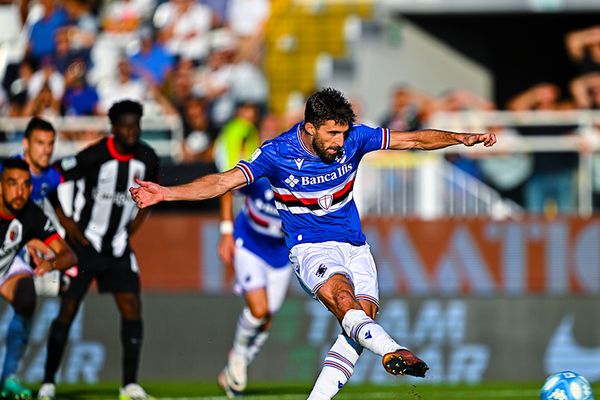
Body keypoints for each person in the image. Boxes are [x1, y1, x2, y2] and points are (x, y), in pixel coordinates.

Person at [130, 88, 496, 399]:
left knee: (359, 322)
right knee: (344, 301)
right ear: (310, 128)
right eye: (332, 134)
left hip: (355, 246)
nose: (339, 142)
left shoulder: (355, 138)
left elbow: (413, 139)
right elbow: (223, 182)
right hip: (310, 248)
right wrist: (166, 193)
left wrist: (461, 138)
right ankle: (392, 349)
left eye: (343, 133)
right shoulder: (276, 153)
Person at [37, 100, 160, 400]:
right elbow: (52, 177)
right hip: (84, 245)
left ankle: (129, 385)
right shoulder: (95, 155)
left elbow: (153, 194)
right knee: (67, 310)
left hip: (118, 248)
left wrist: (133, 227)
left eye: (136, 126)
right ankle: (48, 383)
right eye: (125, 126)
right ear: (114, 128)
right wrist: (67, 221)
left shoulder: (147, 158)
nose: (131, 132)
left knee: (132, 307)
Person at [215, 107, 291, 398]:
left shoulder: (295, 169)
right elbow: (225, 188)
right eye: (266, 129)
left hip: (281, 253)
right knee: (258, 310)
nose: (271, 134)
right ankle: (237, 354)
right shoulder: (254, 167)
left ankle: (235, 369)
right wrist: (226, 232)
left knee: (267, 317)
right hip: (250, 243)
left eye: (276, 129)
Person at [0, 157, 77, 399]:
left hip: (5, 267)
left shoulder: (31, 214)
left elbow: (69, 255)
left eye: (25, 184)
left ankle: (9, 377)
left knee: (26, 297)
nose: (19, 192)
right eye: (12, 183)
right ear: (0, 186)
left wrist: (50, 263)